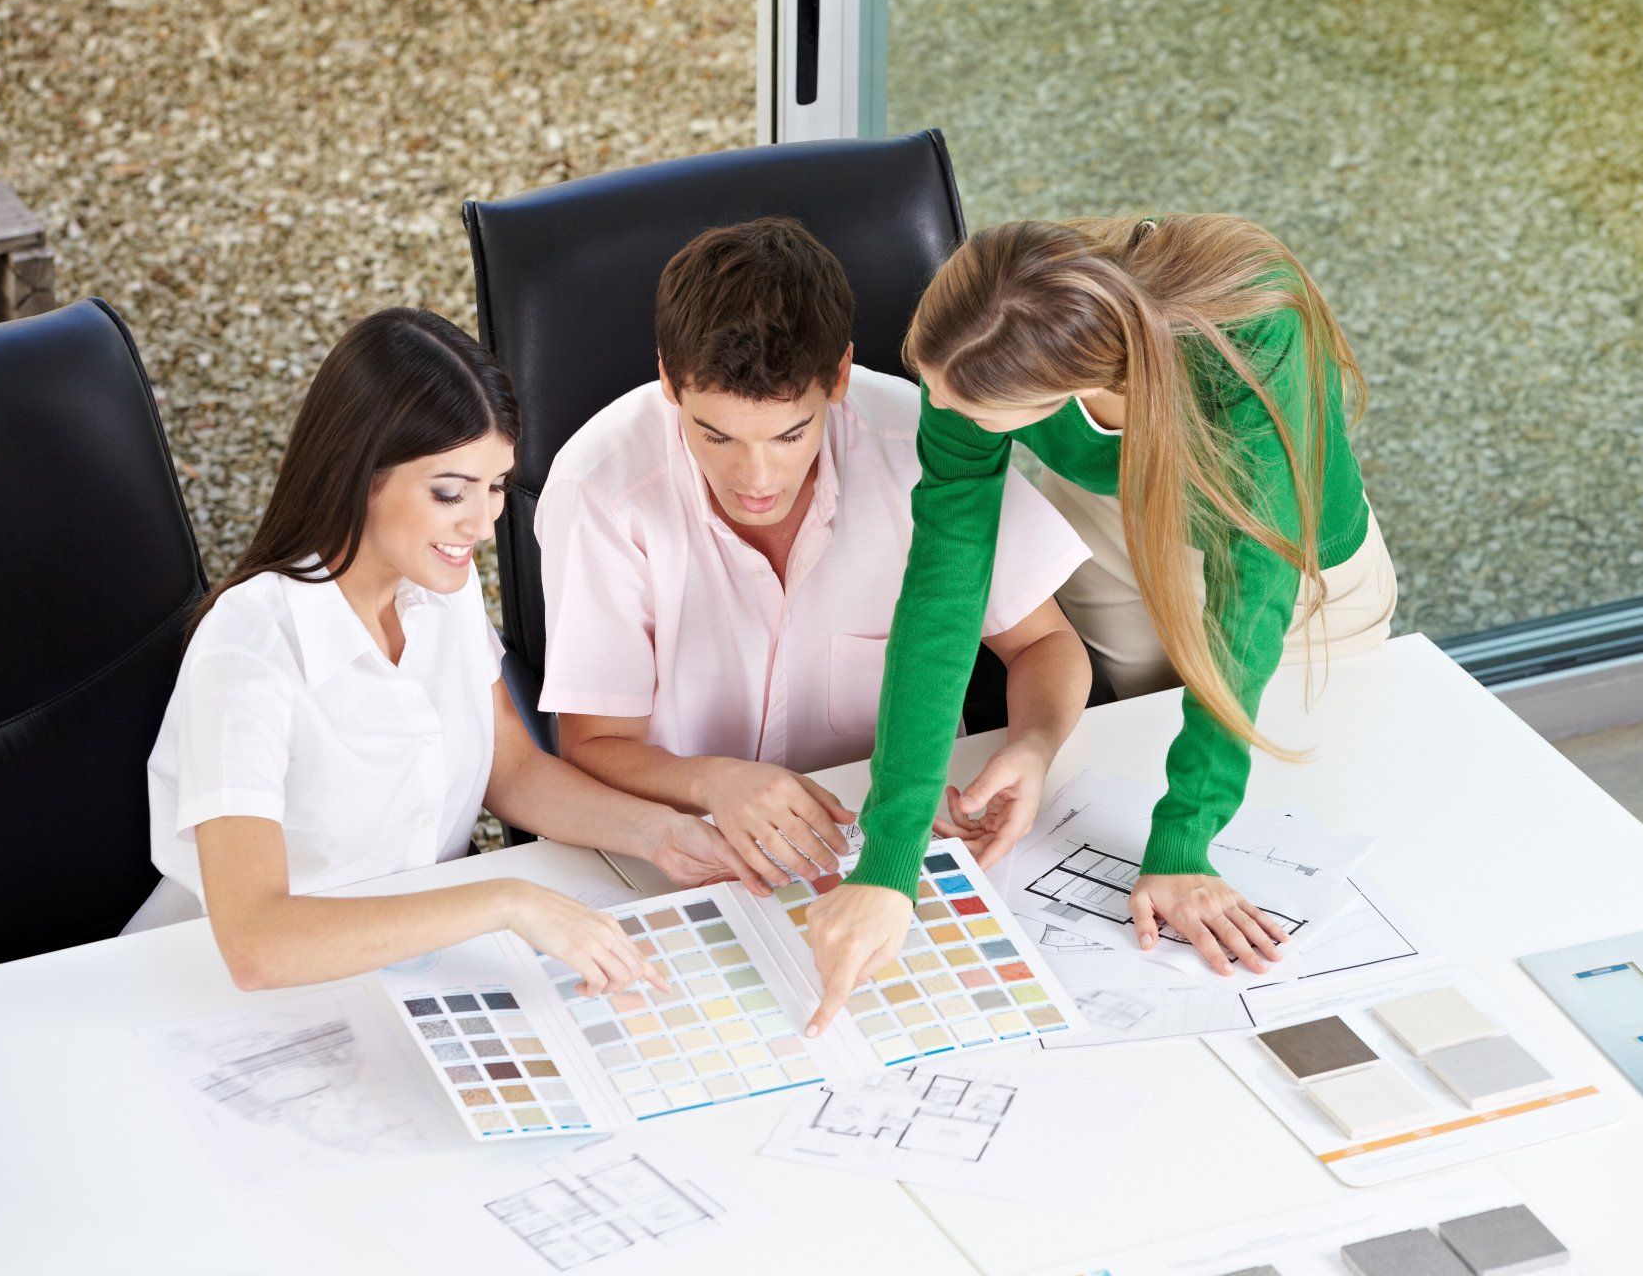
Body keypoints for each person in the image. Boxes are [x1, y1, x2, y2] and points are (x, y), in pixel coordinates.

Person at [806, 214, 1398, 1034]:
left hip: (1285, 560)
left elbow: (1245, 602)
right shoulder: (982, 341)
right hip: (1116, 524)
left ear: (1067, 386)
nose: (936, 407)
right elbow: (944, 590)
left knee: (1305, 808)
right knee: (1118, 754)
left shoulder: (1255, 328)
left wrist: (1182, 844)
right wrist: (889, 855)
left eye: (965, 404)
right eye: (931, 382)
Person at [128, 308, 733, 996]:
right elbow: (255, 943)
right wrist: (508, 902)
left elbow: (512, 771)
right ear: (360, 473)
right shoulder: (249, 653)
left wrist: (662, 834)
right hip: (227, 994)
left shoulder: (438, 585)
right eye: (450, 492)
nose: (482, 523)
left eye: (496, 485)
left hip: (406, 969)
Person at [535, 217, 1094, 893]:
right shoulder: (601, 487)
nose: (756, 478)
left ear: (838, 377)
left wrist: (1032, 747)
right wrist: (715, 782)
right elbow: (591, 744)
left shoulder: (923, 446)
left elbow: (1043, 644)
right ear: (668, 381)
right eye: (715, 437)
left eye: (788, 435)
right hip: (690, 847)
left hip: (897, 825)